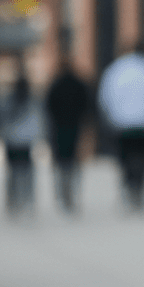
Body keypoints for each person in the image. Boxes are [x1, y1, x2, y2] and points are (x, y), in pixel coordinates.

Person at [97, 43, 144, 211]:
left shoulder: (116, 70)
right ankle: (141, 192)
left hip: (123, 124)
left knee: (125, 159)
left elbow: (106, 97)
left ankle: (128, 190)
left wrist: (110, 119)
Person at [45, 57, 90, 214]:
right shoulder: (79, 85)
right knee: (74, 163)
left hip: (58, 130)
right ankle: (72, 194)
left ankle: (62, 195)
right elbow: (86, 106)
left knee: (61, 164)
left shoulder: (55, 85)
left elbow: (48, 108)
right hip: (75, 128)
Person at [0, 69, 42, 215]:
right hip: (26, 141)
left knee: (13, 172)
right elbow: (39, 120)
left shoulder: (9, 100)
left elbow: (2, 119)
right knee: (26, 171)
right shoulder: (32, 100)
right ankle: (27, 199)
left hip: (12, 140)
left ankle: (14, 200)